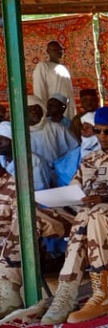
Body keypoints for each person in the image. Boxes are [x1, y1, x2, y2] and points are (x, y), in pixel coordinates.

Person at [43, 107, 108, 324]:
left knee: (96, 214)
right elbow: (75, 187)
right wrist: (72, 199)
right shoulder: (89, 160)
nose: (101, 136)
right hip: (89, 214)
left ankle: (104, 294)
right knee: (79, 216)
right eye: (97, 131)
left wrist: (106, 198)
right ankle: (66, 291)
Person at [0, 123, 71, 317]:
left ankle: (9, 293)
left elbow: (36, 211)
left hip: (17, 242)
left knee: (24, 221)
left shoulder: (15, 186)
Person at [26, 95, 78, 167]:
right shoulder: (19, 133)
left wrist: (64, 168)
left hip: (56, 174)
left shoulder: (57, 128)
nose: (34, 112)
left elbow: (75, 150)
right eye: (29, 109)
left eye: (37, 109)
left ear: (43, 110)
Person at [32, 41, 76, 119]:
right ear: (48, 51)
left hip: (68, 111)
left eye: (60, 49)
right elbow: (39, 90)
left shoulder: (64, 68)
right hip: (53, 114)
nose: (58, 52)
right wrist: (44, 112)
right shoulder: (43, 66)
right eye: (54, 50)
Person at [54, 112, 100, 187]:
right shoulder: (74, 153)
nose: (83, 130)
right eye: (83, 127)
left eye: (88, 127)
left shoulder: (104, 152)